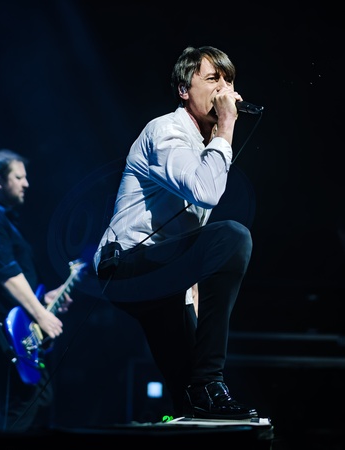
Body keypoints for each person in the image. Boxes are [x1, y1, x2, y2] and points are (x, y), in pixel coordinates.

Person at [93, 46, 259, 420]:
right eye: (213, 79)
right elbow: (205, 192)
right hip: (127, 265)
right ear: (184, 89)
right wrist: (226, 126)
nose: (224, 89)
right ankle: (211, 382)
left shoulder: (205, 146)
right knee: (233, 236)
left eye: (229, 81)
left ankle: (200, 398)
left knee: (188, 393)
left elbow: (189, 232)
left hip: (165, 276)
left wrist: (192, 292)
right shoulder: (166, 131)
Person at [0, 149, 73, 431]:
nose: (26, 184)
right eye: (19, 177)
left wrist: (41, 300)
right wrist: (41, 315)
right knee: (23, 401)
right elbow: (7, 275)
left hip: (10, 327)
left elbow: (7, 278)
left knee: (37, 398)